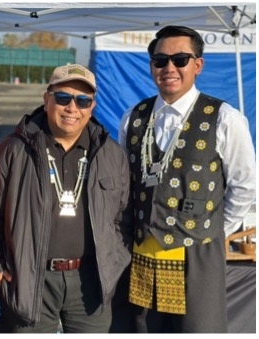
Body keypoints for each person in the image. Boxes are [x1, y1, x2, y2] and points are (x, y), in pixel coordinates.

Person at [118, 25, 256, 333]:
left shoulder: (224, 118)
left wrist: (214, 230)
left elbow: (245, 185)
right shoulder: (134, 116)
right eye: (160, 60)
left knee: (199, 330)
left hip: (199, 254)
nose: (169, 68)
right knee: (144, 330)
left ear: (198, 65)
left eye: (180, 59)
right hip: (143, 251)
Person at [0, 63, 132, 333]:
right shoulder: (13, 151)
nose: (72, 108)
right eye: (63, 98)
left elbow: (123, 217)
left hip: (90, 284)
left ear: (92, 105)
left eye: (83, 100)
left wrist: (115, 262)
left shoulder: (111, 154)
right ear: (46, 99)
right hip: (30, 279)